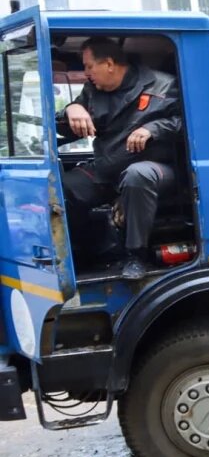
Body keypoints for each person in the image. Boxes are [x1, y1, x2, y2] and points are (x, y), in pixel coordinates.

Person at [56, 37, 182, 280]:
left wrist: (153, 129)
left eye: (89, 66)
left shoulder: (163, 86)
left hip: (156, 168)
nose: (86, 73)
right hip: (108, 167)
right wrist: (72, 109)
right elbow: (69, 126)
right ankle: (83, 253)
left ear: (110, 64)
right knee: (63, 187)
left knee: (138, 175)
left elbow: (185, 123)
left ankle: (136, 255)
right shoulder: (93, 91)